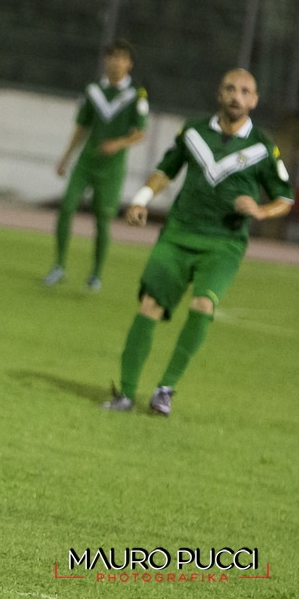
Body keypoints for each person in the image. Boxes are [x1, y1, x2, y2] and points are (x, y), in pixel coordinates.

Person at [103, 68, 293, 415]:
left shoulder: (263, 147)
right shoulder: (192, 132)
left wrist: (262, 212)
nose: (237, 96)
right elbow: (166, 169)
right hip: (178, 235)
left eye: (245, 91)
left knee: (204, 304)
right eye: (230, 89)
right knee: (149, 305)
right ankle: (125, 394)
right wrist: (142, 198)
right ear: (219, 94)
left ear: (254, 100)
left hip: (224, 244)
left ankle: (165, 389)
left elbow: (285, 196)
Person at [44, 38, 149, 292]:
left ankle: (96, 274)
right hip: (86, 162)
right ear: (105, 60)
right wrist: (66, 158)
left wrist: (118, 143)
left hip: (111, 168)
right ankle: (58, 265)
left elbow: (140, 133)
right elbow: (81, 127)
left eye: (122, 58)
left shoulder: (137, 94)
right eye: (112, 57)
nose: (115, 63)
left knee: (102, 219)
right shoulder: (92, 90)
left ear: (130, 64)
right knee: (67, 206)